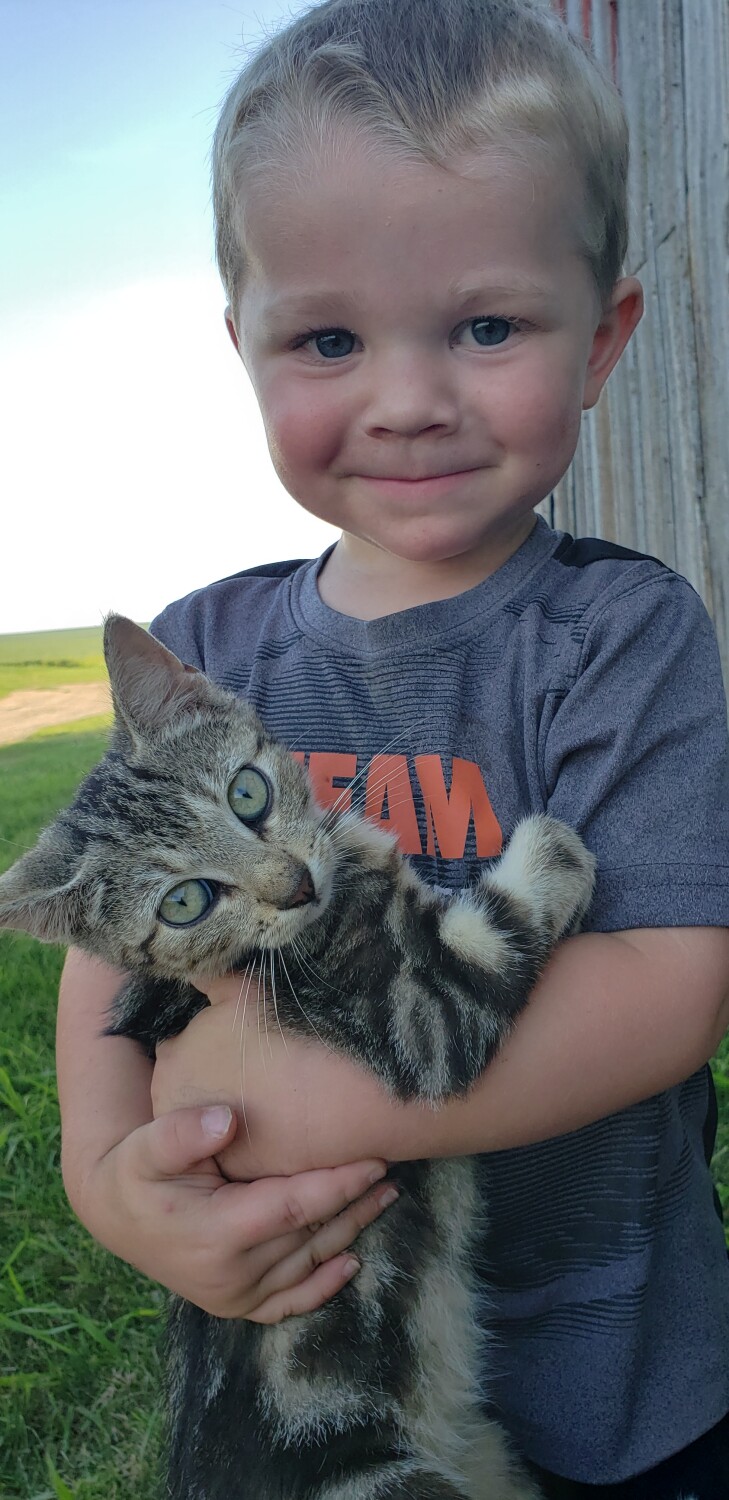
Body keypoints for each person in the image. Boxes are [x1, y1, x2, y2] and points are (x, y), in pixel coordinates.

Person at [56, 1, 729, 1494]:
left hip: (604, 1371)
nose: (409, 399)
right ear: (240, 344)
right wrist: (109, 1185)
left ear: (602, 336)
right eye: (328, 338)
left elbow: (669, 985)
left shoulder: (618, 635)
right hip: (307, 1362)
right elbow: (108, 959)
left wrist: (327, 1090)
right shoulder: (206, 655)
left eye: (486, 327)